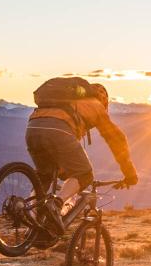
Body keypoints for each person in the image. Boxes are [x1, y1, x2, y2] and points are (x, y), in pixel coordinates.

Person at [27, 76, 138, 236]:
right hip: (59, 130)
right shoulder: (96, 106)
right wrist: (129, 174)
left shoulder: (67, 103)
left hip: (32, 128)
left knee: (45, 176)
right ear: (104, 101)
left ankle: (31, 219)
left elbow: (64, 157)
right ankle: (57, 204)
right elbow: (117, 139)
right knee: (85, 174)